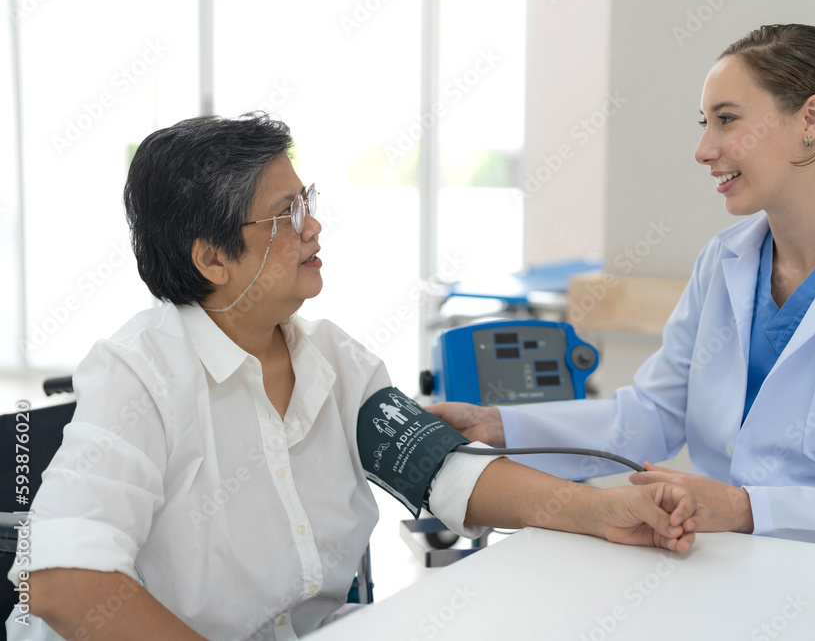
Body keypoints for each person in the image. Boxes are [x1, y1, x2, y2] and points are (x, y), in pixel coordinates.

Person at [5, 114, 703, 641]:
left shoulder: (333, 360)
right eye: (285, 214)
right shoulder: (139, 373)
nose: (313, 226)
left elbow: (445, 470)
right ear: (212, 258)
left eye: (306, 199)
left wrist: (600, 511)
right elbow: (61, 579)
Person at [429, 24, 815, 566]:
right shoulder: (723, 264)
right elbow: (652, 415)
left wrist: (744, 509)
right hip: (735, 563)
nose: (703, 149)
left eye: (726, 120)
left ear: (810, 120)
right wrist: (495, 426)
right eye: (706, 123)